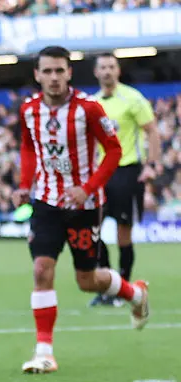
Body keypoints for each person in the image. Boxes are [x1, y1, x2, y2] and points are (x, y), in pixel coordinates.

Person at [12, 46, 149, 375]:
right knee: (41, 271)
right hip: (46, 202)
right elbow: (29, 147)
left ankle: (135, 294)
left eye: (59, 70)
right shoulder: (29, 110)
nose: (54, 77)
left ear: (69, 73)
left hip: (84, 206)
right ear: (37, 75)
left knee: (87, 280)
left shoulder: (88, 108)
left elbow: (114, 151)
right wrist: (25, 184)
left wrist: (87, 188)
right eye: (47, 71)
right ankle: (44, 353)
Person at [89, 53, 162, 307]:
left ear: (118, 71)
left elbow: (152, 130)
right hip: (101, 174)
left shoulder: (133, 98)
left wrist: (151, 165)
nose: (107, 71)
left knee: (123, 234)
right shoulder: (92, 103)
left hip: (127, 171)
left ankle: (123, 290)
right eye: (103, 67)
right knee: (91, 231)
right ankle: (108, 286)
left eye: (111, 66)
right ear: (96, 72)